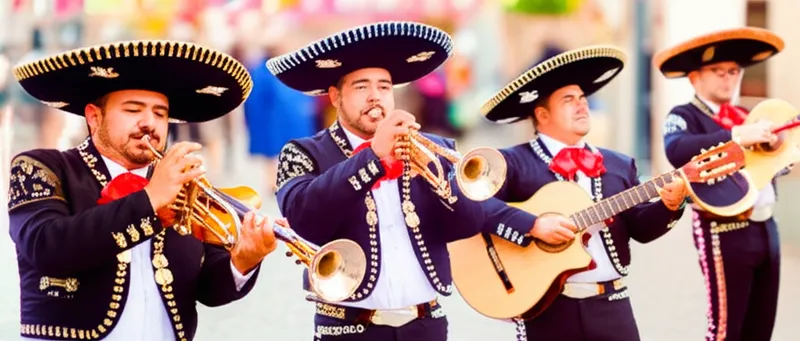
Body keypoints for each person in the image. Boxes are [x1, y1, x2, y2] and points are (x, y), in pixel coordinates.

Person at [267, 21, 536, 341]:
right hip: (348, 328)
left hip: (426, 324)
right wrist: (373, 160)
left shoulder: (438, 148)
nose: (375, 96)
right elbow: (303, 217)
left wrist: (439, 179)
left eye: (383, 87)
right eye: (361, 87)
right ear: (336, 96)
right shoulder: (301, 153)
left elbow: (468, 223)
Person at [8, 39, 280, 341]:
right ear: (94, 118)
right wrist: (150, 200)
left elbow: (207, 291)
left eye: (160, 113)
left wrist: (243, 259)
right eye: (133, 109)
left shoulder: (187, 187)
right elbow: (46, 248)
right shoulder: (40, 166)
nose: (149, 123)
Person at [479, 45, 689, 341]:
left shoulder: (618, 164)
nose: (582, 105)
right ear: (542, 114)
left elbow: (640, 229)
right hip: (547, 307)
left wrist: (670, 205)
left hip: (611, 303)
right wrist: (533, 225)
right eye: (568, 100)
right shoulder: (511, 163)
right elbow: (475, 210)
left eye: (582, 98)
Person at [654, 27, 787, 341]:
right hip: (723, 229)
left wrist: (781, 153)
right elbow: (677, 151)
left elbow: (767, 166)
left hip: (767, 227)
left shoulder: (745, 114)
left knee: (761, 329)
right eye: (718, 72)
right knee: (726, 329)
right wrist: (735, 137)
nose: (729, 79)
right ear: (695, 78)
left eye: (733, 72)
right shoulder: (683, 115)